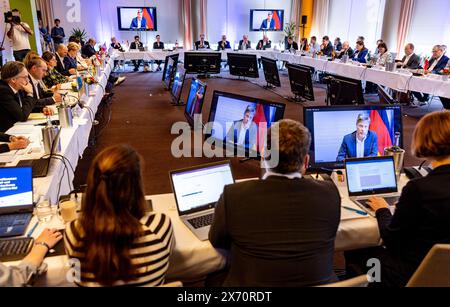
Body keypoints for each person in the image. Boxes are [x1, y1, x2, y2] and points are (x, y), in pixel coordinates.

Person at [209, 119, 341, 287]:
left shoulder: (233, 195)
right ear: (306, 161)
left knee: (214, 277)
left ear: (264, 156)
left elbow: (217, 241)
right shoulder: (330, 193)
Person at [348, 111, 450, 287]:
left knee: (357, 251)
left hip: (408, 275)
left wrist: (382, 210)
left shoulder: (419, 189)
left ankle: (372, 281)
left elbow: (391, 240)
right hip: (443, 273)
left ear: (425, 140)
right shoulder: (420, 190)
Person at [64, 145, 174, 287]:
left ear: (92, 183)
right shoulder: (160, 227)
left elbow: (75, 277)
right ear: (137, 185)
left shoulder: (74, 233)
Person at [0, 62, 39, 132]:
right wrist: (30, 93)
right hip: (6, 133)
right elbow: (22, 116)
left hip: (17, 128)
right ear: (13, 80)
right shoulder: (3, 91)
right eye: (25, 77)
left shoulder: (18, 87)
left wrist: (43, 108)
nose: (28, 80)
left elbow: (26, 105)